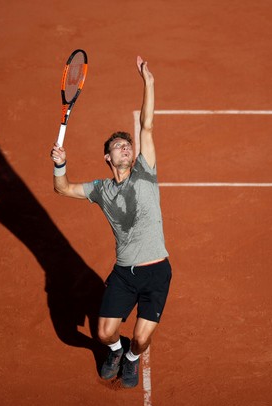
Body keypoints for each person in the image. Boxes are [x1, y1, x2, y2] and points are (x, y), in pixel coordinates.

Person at [49, 56, 171, 388]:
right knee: (104, 334)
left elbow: (146, 126)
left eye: (128, 145)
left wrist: (149, 82)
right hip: (124, 274)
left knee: (141, 341)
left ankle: (131, 357)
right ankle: (116, 351)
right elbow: (62, 188)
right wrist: (60, 164)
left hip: (157, 272)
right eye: (118, 146)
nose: (126, 148)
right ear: (108, 157)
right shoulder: (101, 190)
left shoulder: (145, 171)